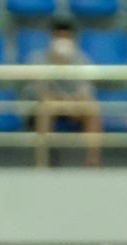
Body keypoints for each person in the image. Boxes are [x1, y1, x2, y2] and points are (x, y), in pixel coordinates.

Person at [39, 21, 103, 169]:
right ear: (52, 39)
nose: (63, 42)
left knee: (93, 107)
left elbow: (87, 90)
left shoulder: (82, 60)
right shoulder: (39, 58)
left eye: (67, 38)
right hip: (51, 104)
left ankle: (93, 162)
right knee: (46, 106)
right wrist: (54, 66)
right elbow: (37, 90)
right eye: (59, 37)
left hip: (75, 105)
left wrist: (72, 102)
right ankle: (42, 162)